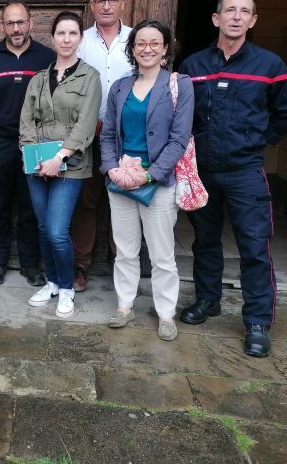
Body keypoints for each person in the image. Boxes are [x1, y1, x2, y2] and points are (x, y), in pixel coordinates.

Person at [178, 0, 287, 357]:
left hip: (245, 171)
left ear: (253, 20)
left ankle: (258, 322)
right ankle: (208, 300)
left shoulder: (270, 65)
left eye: (244, 11)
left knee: (254, 247)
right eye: (229, 10)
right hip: (203, 170)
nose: (236, 16)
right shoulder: (193, 66)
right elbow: (180, 113)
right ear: (216, 19)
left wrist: (260, 140)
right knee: (205, 241)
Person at [100, 20, 193, 341]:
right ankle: (125, 305)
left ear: (166, 48)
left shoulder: (179, 85)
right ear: (133, 49)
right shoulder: (120, 88)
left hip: (159, 182)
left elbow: (179, 139)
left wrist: (151, 173)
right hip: (121, 181)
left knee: (162, 254)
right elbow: (109, 134)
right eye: (141, 43)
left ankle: (166, 313)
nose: (147, 49)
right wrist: (111, 169)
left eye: (155, 43)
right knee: (124, 250)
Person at [20, 11, 101, 318]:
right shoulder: (39, 78)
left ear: (80, 39)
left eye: (72, 34)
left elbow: (85, 124)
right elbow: (26, 120)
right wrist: (37, 159)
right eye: (61, 34)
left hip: (72, 166)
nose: (66, 39)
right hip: (38, 167)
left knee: (56, 230)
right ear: (52, 38)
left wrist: (58, 158)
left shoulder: (90, 77)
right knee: (43, 228)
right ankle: (52, 281)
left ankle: (66, 287)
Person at [0, 2, 55, 286]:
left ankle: (30, 264)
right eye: (10, 23)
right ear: (2, 26)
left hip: (36, 144)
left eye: (21, 22)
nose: (16, 28)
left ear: (31, 23)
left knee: (32, 206)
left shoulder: (47, 57)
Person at [71, 0, 133, 292]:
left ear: (123, 3)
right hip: (89, 134)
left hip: (127, 136)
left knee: (123, 199)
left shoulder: (137, 39)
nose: (106, 6)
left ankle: (119, 264)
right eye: (100, 1)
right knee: (85, 200)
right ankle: (80, 265)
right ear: (92, 6)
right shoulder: (80, 41)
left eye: (112, 0)